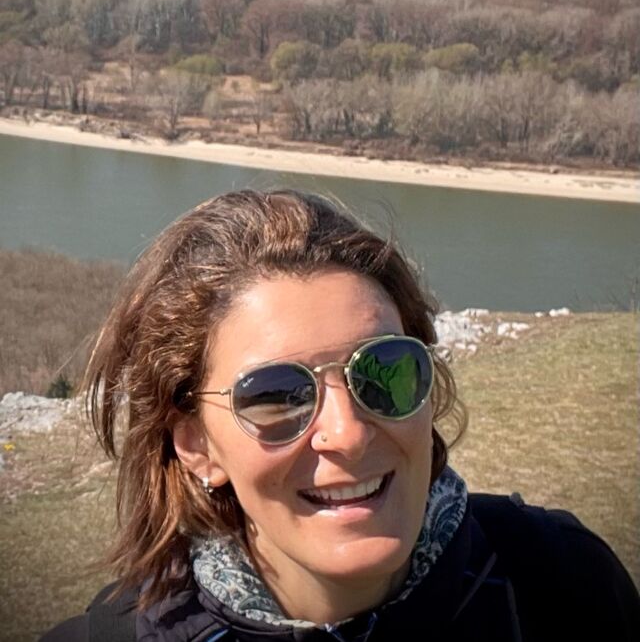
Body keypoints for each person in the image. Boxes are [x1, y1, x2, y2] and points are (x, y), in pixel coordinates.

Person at [41, 189, 639, 641]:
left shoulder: (561, 586)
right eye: (278, 395)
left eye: (384, 372)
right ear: (197, 445)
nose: (348, 434)